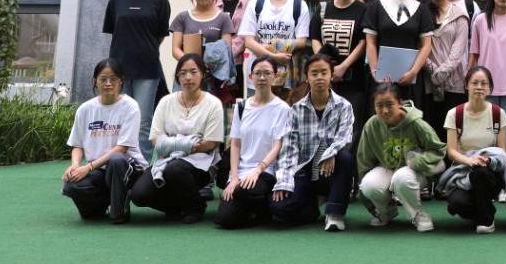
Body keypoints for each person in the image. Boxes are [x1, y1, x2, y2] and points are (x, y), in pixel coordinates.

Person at [130, 53, 224, 223]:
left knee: (175, 169)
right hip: (165, 161)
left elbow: (210, 143)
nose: (188, 77)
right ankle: (176, 206)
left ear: (202, 74)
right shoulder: (166, 102)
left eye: (193, 72)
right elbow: (156, 140)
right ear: (177, 77)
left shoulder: (213, 103)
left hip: (201, 163)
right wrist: (189, 142)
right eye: (183, 73)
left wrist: (170, 144)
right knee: (138, 194)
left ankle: (195, 207)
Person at [270, 53, 356, 231]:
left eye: (324, 72)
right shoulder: (296, 109)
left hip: (330, 170)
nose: (319, 77)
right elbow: (289, 149)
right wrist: (283, 182)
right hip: (305, 170)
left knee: (345, 157)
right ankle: (311, 206)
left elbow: (344, 137)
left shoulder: (344, 106)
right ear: (307, 78)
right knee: (279, 208)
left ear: (331, 75)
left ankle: (334, 213)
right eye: (314, 73)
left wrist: (330, 153)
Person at [103, 0, 171, 160]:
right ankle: (120, 163)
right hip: (119, 69)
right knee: (120, 118)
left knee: (143, 120)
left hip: (147, 69)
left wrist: (144, 47)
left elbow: (161, 34)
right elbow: (114, 31)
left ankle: (141, 165)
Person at [61, 58, 147, 223]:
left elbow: (121, 149)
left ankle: (119, 209)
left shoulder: (130, 107)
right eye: (103, 79)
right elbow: (77, 144)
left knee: (116, 160)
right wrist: (75, 166)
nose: (108, 83)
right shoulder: (85, 109)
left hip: (128, 167)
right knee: (72, 186)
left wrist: (88, 167)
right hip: (99, 170)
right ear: (95, 81)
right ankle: (102, 203)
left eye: (113, 79)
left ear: (120, 81)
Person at [356, 80, 446, 232]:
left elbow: (439, 150)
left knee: (402, 177)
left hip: (416, 172)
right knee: (368, 184)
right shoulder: (371, 125)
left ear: (399, 103)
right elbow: (364, 160)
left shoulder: (417, 124)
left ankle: (418, 214)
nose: (385, 110)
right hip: (387, 169)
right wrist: (365, 193)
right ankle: (386, 212)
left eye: (389, 104)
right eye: (379, 105)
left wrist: (417, 161)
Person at [214, 56, 293, 229]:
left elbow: (277, 146)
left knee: (245, 191)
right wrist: (234, 178)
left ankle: (262, 207)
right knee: (224, 219)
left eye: (267, 73)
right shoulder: (242, 107)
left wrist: (258, 170)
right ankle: (255, 211)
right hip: (242, 171)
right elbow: (235, 144)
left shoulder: (282, 109)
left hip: (266, 171)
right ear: (250, 77)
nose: (262, 77)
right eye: (257, 73)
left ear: (275, 76)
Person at [443, 65, 506, 232]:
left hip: (490, 173)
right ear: (466, 85)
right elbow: (451, 151)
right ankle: (485, 210)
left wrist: (487, 161)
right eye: (474, 83)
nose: (479, 87)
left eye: (484, 83)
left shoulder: (498, 113)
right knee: (455, 204)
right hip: (463, 171)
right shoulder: (454, 114)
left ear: (490, 88)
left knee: (481, 173)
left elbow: (502, 151)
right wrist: (470, 161)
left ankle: (486, 222)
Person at [362, 0, 433, 105]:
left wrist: (413, 72)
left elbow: (426, 45)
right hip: (381, 79)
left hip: (411, 79)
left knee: (409, 115)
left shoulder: (422, 9)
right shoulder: (376, 7)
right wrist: (376, 73)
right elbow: (370, 42)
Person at [311, 0, 370, 135]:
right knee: (324, 126)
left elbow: (363, 41)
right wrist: (324, 65)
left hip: (354, 80)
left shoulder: (364, 10)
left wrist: (344, 66)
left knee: (351, 127)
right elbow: (315, 38)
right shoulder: (323, 9)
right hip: (325, 79)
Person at [240, 0, 311, 90]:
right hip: (257, 70)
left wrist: (277, 45)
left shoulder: (299, 6)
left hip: (286, 72)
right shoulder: (255, 4)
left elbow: (302, 41)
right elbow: (248, 41)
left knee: (284, 102)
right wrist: (273, 56)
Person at [422, 0, 470, 136]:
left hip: (454, 84)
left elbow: (457, 53)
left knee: (451, 132)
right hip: (426, 83)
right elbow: (419, 46)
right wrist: (432, 70)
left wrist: (439, 74)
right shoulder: (421, 11)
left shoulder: (460, 15)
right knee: (428, 131)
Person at [169, 0, 233, 97]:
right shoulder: (182, 17)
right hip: (185, 73)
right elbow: (175, 49)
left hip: (212, 76)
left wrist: (206, 65)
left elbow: (226, 48)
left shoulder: (223, 18)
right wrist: (192, 65)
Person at [215, 0, 248, 101]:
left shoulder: (248, 5)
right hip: (214, 63)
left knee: (234, 102)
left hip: (237, 63)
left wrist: (227, 54)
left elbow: (244, 34)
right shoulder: (213, 3)